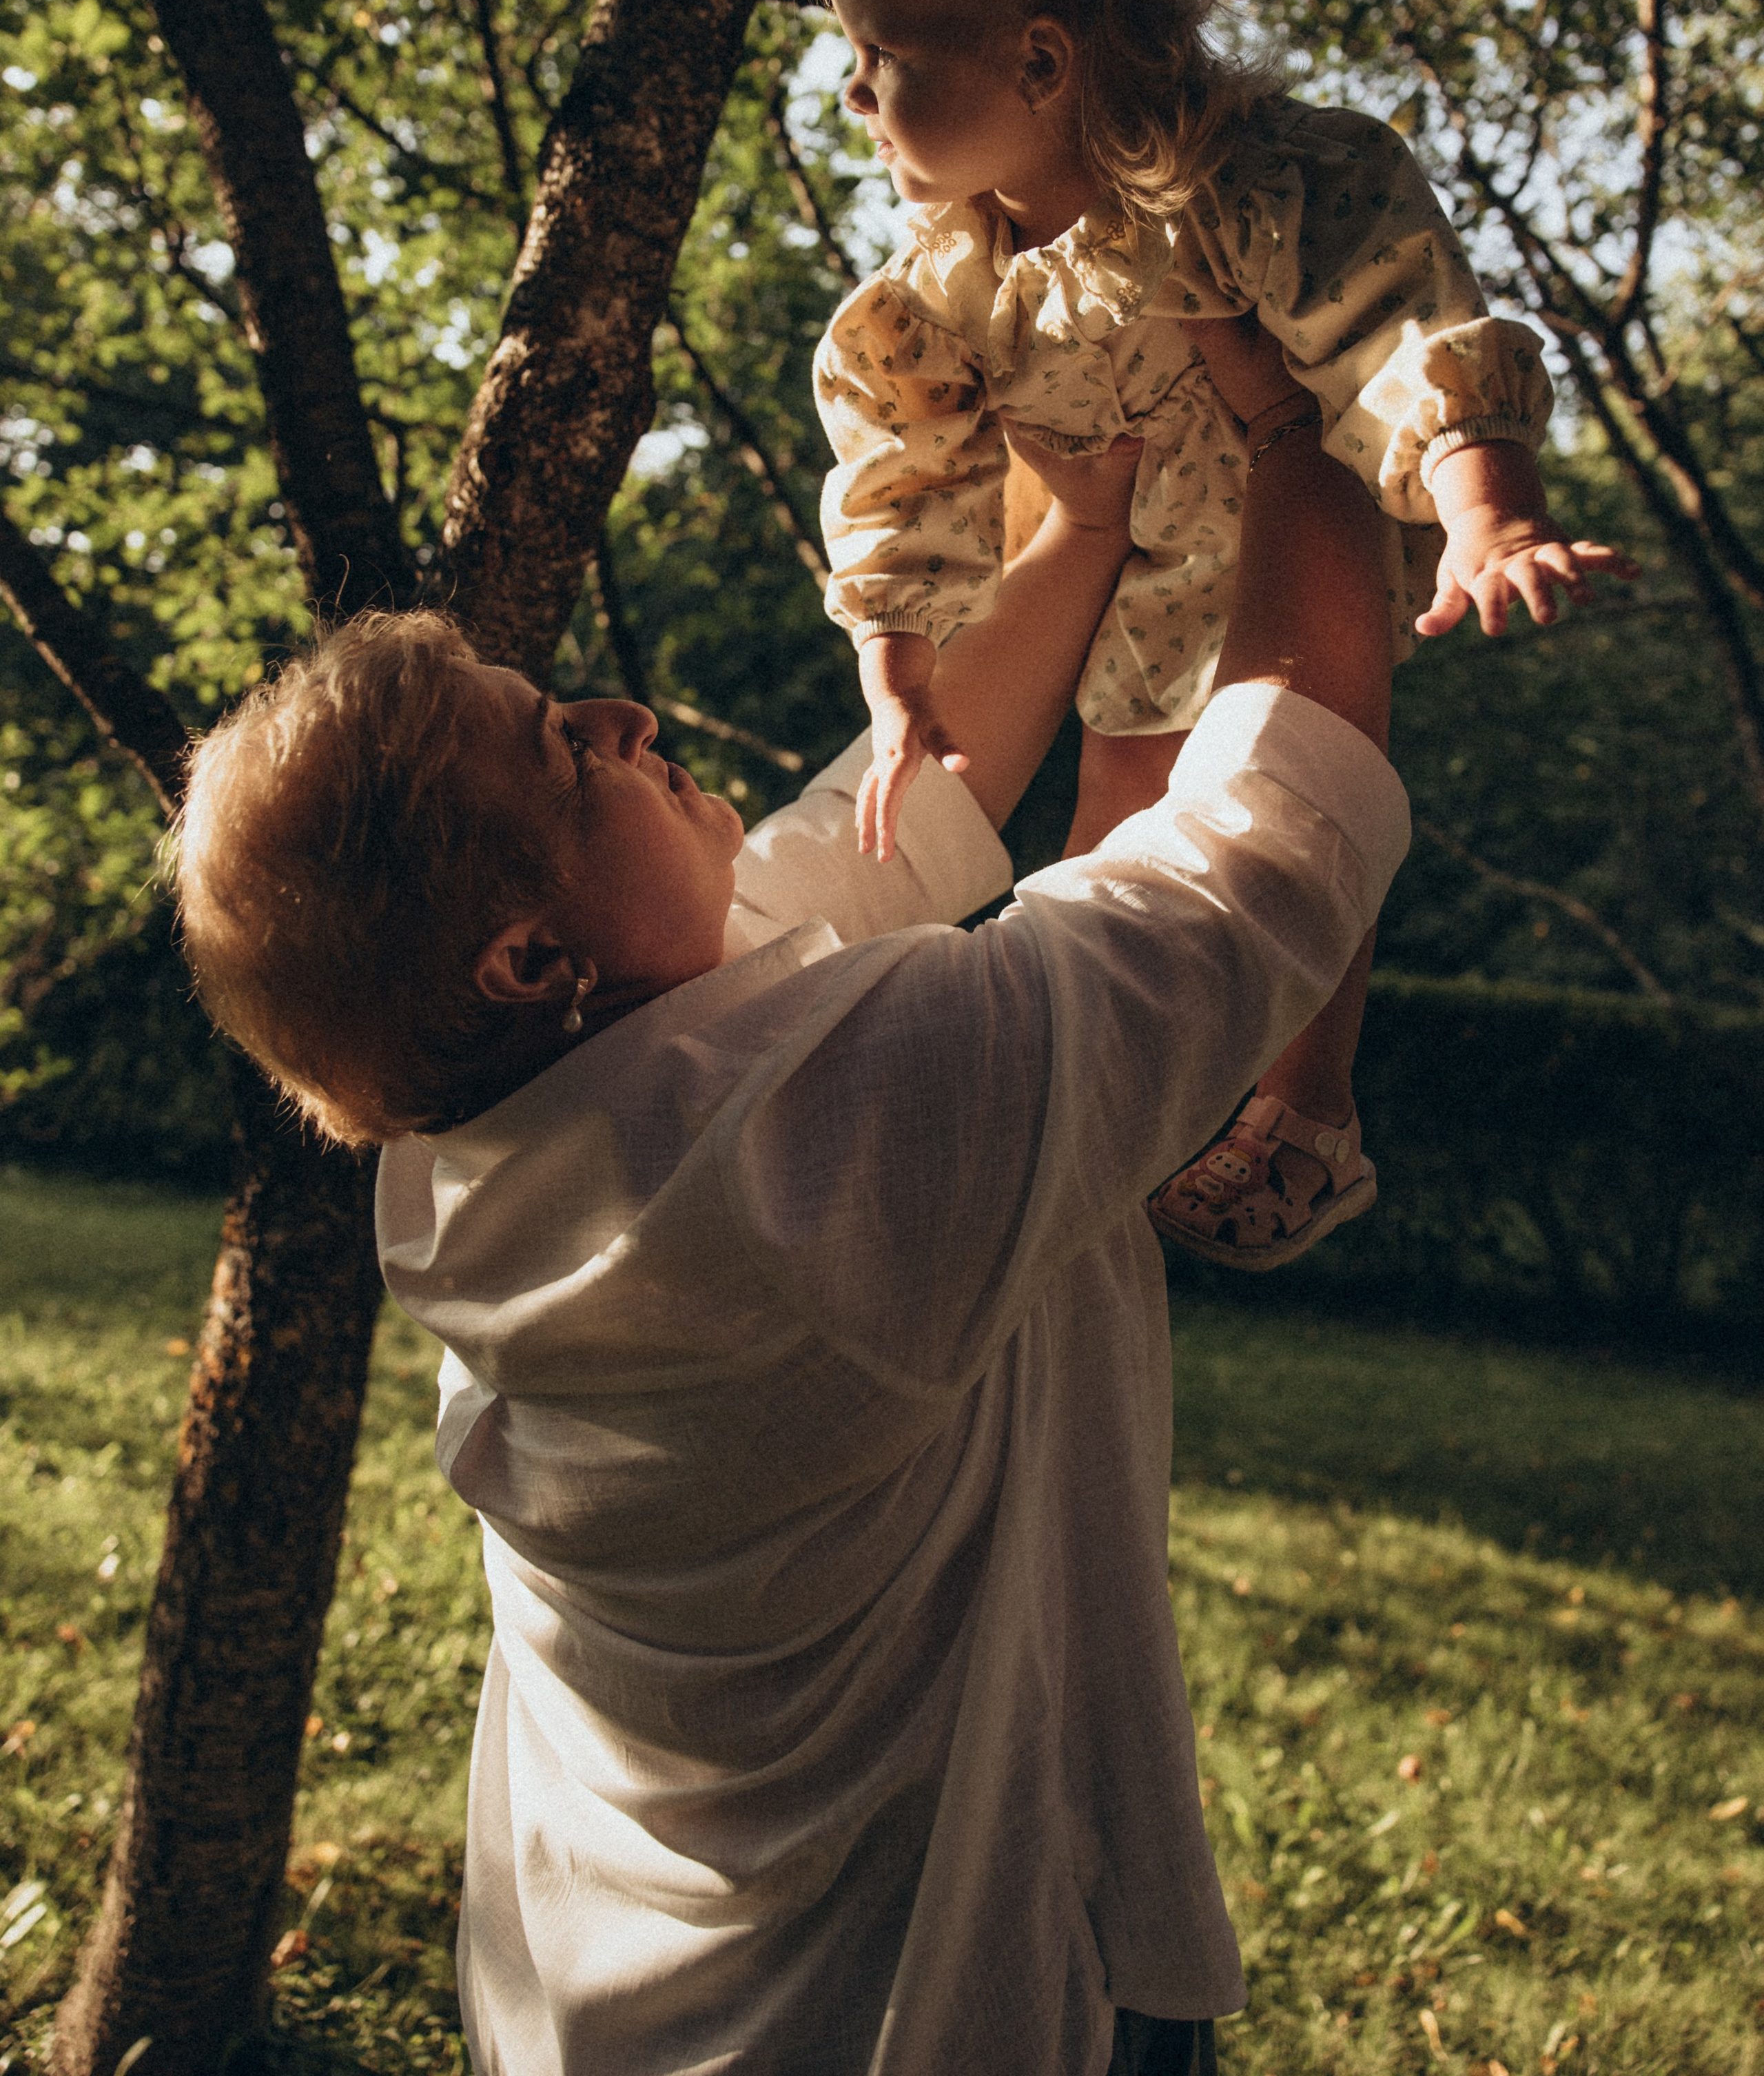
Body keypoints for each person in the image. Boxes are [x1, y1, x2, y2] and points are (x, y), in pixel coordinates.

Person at [172, 319, 1411, 2075]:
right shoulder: (823, 1146)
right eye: (564, 749)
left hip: (643, 2004)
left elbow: (903, 815)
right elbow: (1271, 834)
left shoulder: (515, 1138)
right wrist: (1297, 415)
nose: (624, 713)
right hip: (946, 2008)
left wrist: (1085, 518)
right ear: (529, 955)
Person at [811, 0, 1634, 1268]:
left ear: (1039, 61)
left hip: (1288, 580)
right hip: (1130, 628)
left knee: (1296, 829)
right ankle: (1102, 1114)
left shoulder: (1247, 190)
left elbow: (1401, 325)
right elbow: (898, 474)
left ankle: (1310, 1112)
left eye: (881, 59)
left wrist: (1488, 512)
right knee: (1107, 863)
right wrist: (897, 681)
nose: (853, 96)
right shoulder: (945, 290)